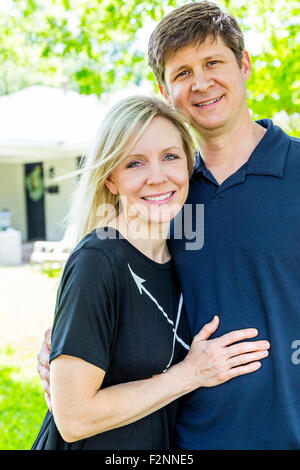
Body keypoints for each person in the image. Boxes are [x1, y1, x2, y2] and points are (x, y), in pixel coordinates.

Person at [32, 95, 270, 450]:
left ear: (190, 165)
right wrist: (189, 375)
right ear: (110, 178)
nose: (157, 177)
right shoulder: (98, 260)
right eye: (135, 163)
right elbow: (73, 418)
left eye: (170, 157)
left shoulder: (183, 256)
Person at [147, 1, 300, 449]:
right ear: (163, 89)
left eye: (213, 62)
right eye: (182, 73)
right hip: (182, 442)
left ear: (245, 65)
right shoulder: (160, 190)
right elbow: (111, 281)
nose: (200, 83)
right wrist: (64, 349)